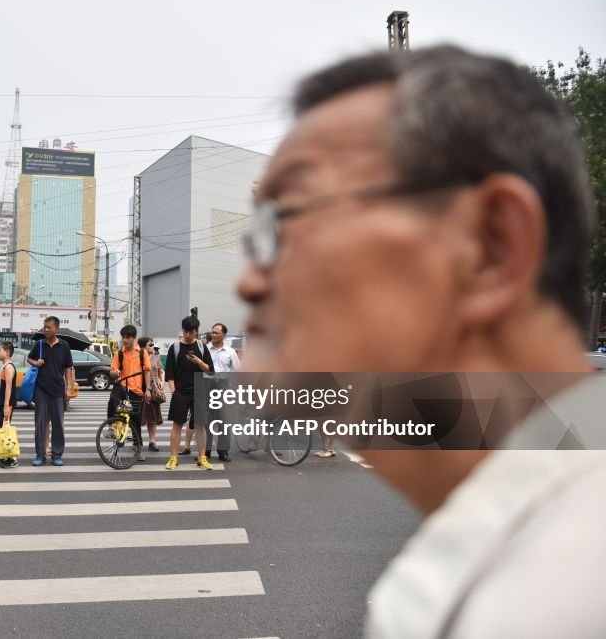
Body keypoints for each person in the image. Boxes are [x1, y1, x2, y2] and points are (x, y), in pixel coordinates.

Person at [236, 45, 605, 636]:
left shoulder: (564, 595)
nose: (249, 279)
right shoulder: (502, 557)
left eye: (285, 222)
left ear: (491, 247)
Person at [164, 310, 214, 470]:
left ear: (196, 332)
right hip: (180, 392)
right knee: (176, 426)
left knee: (200, 426)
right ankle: (173, 458)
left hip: (199, 391)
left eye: (190, 332)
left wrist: (199, 361)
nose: (187, 335)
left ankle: (202, 457)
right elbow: (169, 373)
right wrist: (174, 392)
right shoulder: (175, 347)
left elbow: (210, 370)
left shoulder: (201, 347)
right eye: (185, 331)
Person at [27, 316, 75, 466]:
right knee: (40, 424)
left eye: (49, 327)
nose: (46, 330)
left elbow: (68, 368)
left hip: (58, 390)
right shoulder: (39, 344)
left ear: (56, 329)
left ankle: (57, 454)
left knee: (58, 424)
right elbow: (29, 358)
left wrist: (68, 389)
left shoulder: (64, 346)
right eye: (44, 327)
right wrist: (36, 362)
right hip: (41, 389)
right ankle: (40, 455)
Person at [107, 325, 151, 461]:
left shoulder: (142, 353)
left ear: (134, 338)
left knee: (135, 421)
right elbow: (112, 371)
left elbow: (147, 371)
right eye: (123, 337)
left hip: (136, 390)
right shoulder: (118, 354)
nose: (125, 340)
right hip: (122, 387)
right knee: (113, 399)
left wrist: (148, 389)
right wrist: (115, 373)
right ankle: (112, 427)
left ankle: (138, 448)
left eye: (128, 337)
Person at [204, 322, 241, 462]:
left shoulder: (230, 352)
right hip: (208, 386)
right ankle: (205, 452)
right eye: (212, 332)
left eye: (216, 333)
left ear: (224, 335)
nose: (213, 335)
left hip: (224, 387)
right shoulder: (205, 349)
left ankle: (223, 451)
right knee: (207, 421)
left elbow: (237, 371)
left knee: (224, 421)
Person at [0, 341, 18, 468]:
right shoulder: (4, 366)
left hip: (4, 405)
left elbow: (8, 387)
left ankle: (11, 459)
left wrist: (6, 405)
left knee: (5, 432)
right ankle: (1, 456)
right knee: (0, 430)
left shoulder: (9, 367)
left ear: (6, 352)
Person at [140, 338, 165, 451]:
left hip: (154, 389)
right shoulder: (138, 357)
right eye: (150, 345)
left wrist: (162, 381)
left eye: (153, 344)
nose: (152, 346)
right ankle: (137, 441)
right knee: (138, 416)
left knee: (153, 416)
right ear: (143, 347)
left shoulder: (155, 356)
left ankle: (152, 441)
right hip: (140, 388)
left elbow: (161, 370)